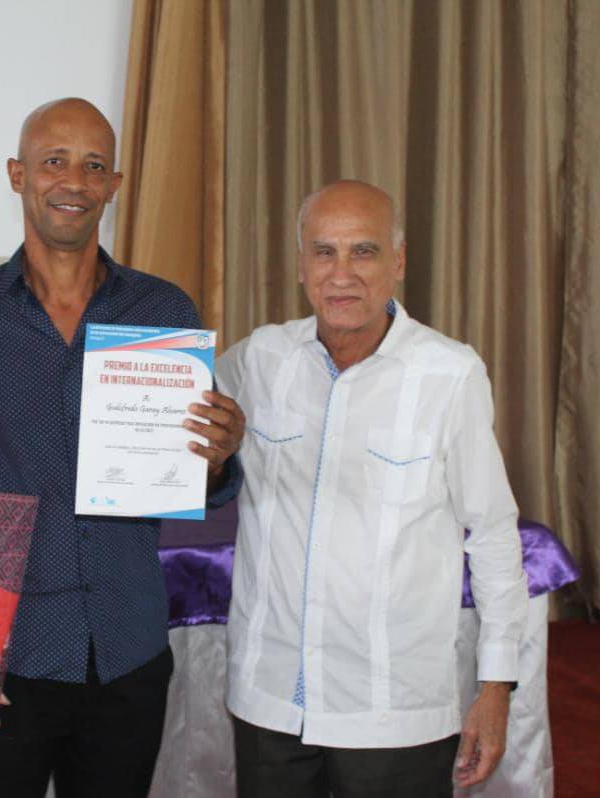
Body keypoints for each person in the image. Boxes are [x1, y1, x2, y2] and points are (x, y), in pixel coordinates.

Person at [0, 98, 245, 797]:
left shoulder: (163, 313)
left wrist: (219, 454)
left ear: (114, 185)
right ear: (18, 174)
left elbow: (201, 480)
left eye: (93, 165)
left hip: (125, 648)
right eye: (54, 161)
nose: (74, 181)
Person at [215, 180, 528, 797]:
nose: (342, 274)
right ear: (300, 264)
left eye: (364, 251)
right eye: (323, 251)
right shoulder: (259, 360)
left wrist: (495, 688)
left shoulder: (450, 374)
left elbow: (492, 534)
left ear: (399, 261)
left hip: (394, 710)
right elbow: (175, 424)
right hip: (269, 702)